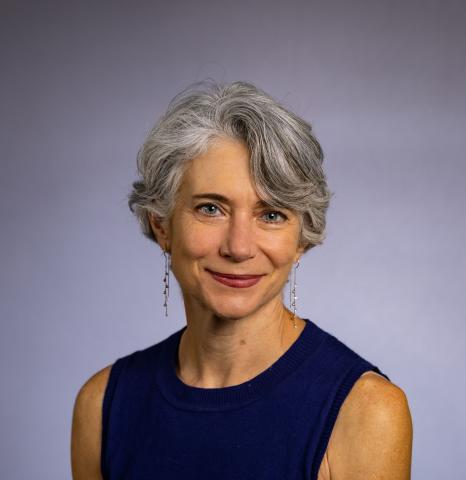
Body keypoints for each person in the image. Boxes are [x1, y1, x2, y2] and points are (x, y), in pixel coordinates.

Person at [71, 80, 413, 479]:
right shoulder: (102, 406)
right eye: (211, 208)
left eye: (271, 215)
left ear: (301, 239)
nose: (239, 247)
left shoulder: (366, 410)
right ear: (162, 225)